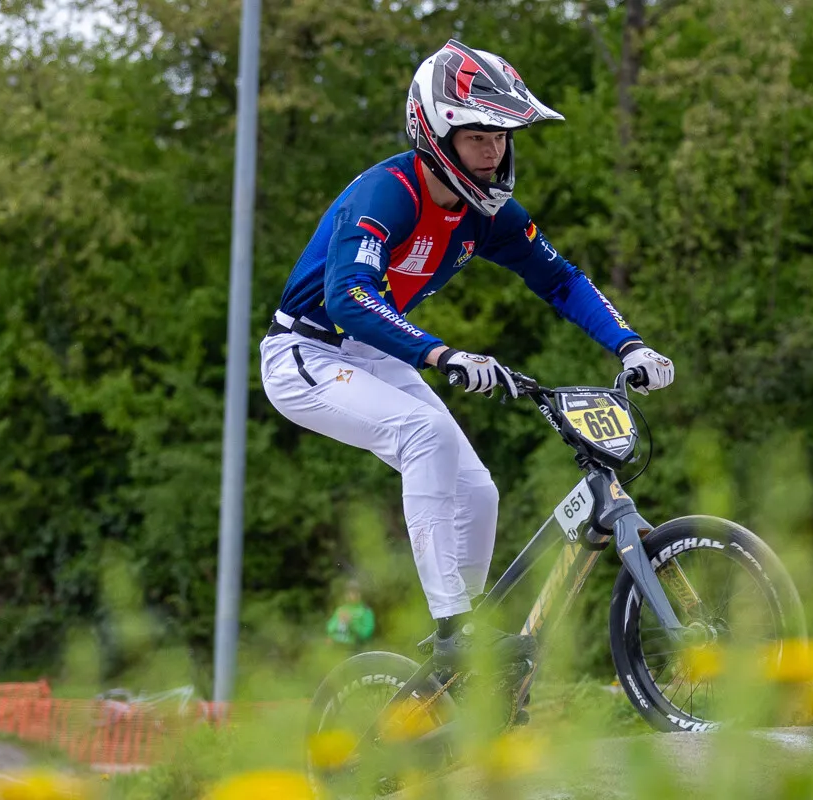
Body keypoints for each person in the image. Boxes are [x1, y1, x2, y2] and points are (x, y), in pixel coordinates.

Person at [260, 39, 675, 678]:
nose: (493, 151)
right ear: (436, 135)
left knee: (478, 492)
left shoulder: (487, 214)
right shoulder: (388, 194)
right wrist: (441, 353)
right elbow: (347, 296)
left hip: (374, 351)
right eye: (478, 136)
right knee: (424, 435)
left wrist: (630, 344)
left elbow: (560, 279)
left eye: (502, 136)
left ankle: (468, 659)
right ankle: (453, 629)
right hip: (304, 352)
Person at [326, 580, 376, 648]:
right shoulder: (341, 609)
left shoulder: (366, 610)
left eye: (355, 592)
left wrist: (351, 623)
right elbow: (330, 627)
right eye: (348, 592)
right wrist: (330, 636)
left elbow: (366, 634)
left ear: (360, 594)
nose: (351, 595)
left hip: (355, 649)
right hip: (336, 647)